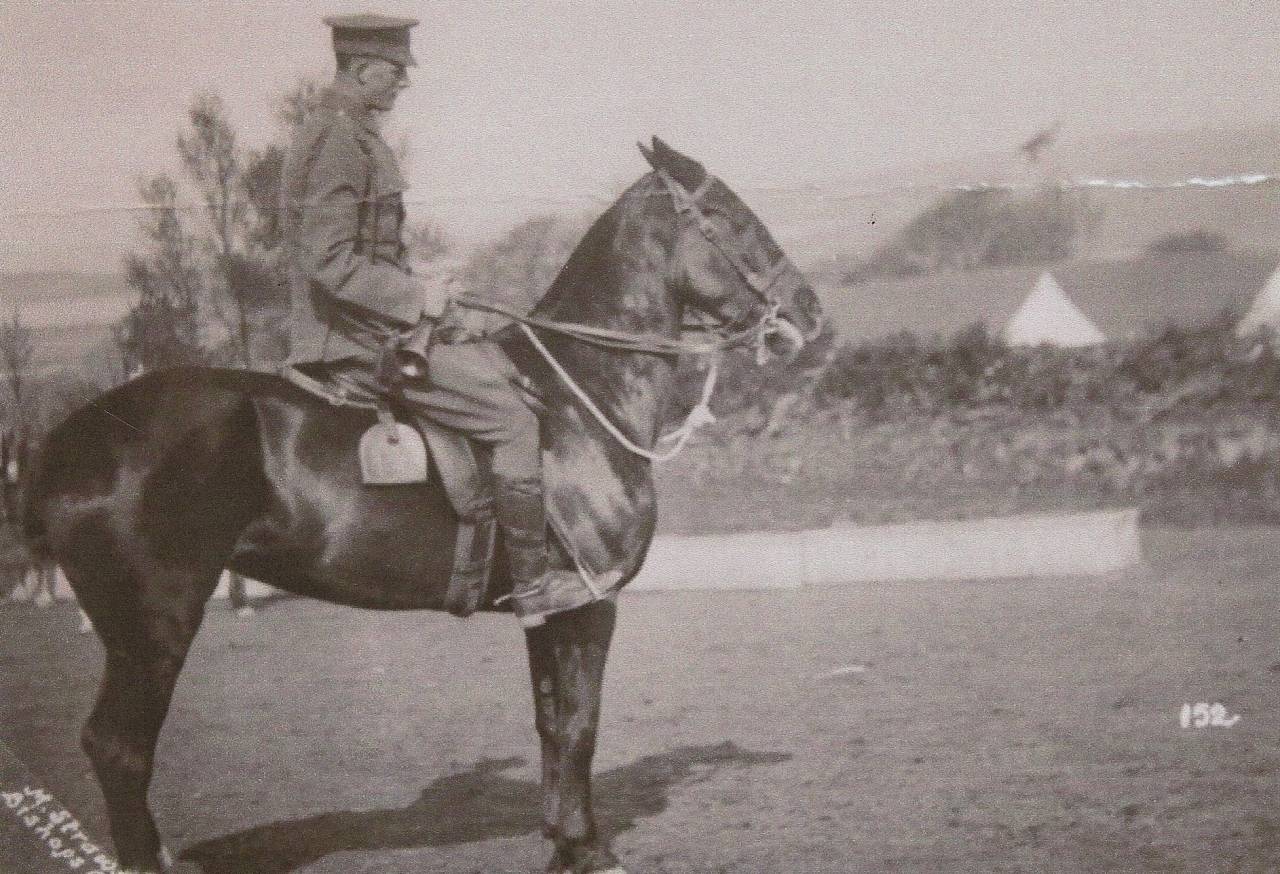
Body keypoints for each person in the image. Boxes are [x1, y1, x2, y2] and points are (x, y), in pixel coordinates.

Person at [280, 14, 574, 627]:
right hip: (351, 340)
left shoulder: (349, 134)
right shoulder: (339, 142)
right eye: (395, 72)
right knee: (513, 419)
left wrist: (437, 302)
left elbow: (368, 253)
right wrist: (419, 299)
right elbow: (327, 258)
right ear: (361, 70)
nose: (403, 84)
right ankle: (532, 587)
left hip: (369, 325)